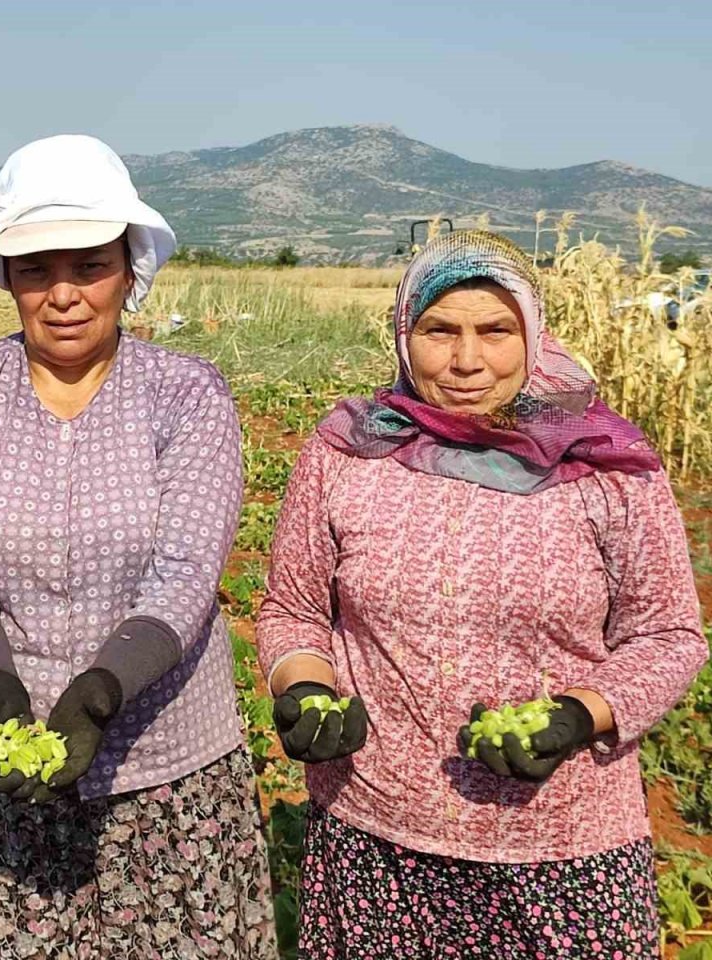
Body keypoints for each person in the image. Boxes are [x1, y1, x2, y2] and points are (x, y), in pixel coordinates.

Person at [257, 230, 706, 958]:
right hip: (377, 832)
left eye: (495, 331)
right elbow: (294, 609)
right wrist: (303, 686)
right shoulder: (349, 451)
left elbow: (668, 635)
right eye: (440, 331)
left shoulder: (608, 467)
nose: (467, 360)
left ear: (532, 332)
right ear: (405, 334)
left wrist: (578, 715)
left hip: (561, 845)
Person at [0, 134, 277, 958]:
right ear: (7, 277)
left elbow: (184, 572)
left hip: (163, 768)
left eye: (89, 267)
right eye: (36, 270)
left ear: (129, 269)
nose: (63, 295)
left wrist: (102, 690)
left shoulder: (186, 394)